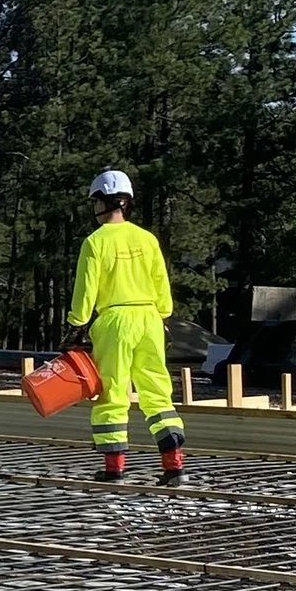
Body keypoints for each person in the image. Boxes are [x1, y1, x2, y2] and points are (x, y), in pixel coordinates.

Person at [68, 170, 186, 488]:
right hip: (150, 318)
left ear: (102, 204)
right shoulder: (147, 240)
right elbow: (161, 283)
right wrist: (162, 315)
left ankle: (114, 468)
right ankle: (173, 467)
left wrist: (76, 324)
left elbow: (85, 289)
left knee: (112, 393)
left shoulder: (95, 242)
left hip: (115, 321)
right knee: (157, 393)